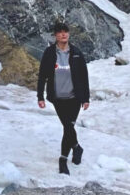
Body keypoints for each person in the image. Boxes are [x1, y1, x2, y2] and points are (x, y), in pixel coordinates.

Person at [36, 22, 90, 175]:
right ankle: (77, 147)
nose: (63, 34)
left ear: (69, 34)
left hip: (74, 99)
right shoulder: (49, 53)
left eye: (65, 31)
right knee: (68, 127)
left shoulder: (77, 53)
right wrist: (40, 96)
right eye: (59, 32)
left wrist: (86, 98)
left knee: (68, 128)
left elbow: (83, 77)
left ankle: (63, 160)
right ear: (55, 36)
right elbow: (42, 76)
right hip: (58, 99)